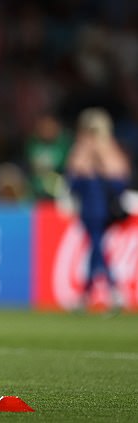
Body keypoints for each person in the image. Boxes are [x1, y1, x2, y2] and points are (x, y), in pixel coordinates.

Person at [67, 108, 130, 311]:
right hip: (88, 210)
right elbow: (72, 180)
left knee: (97, 248)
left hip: (104, 211)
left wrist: (101, 154)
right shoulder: (80, 150)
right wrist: (85, 154)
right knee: (96, 249)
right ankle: (94, 294)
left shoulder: (110, 149)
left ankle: (107, 291)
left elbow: (120, 178)